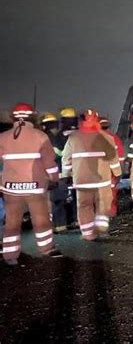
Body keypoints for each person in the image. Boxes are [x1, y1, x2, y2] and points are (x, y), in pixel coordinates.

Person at [0, 103, 62, 265]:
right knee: (41, 219)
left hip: (10, 188)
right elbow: (50, 164)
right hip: (35, 187)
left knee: (12, 221)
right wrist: (54, 179)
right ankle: (46, 248)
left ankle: (10, 255)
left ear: (13, 117)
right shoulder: (40, 136)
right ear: (32, 117)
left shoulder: (3, 137)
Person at [62, 110, 121, 240]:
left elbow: (66, 159)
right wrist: (117, 173)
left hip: (82, 181)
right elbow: (113, 159)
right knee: (103, 204)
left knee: (84, 206)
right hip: (102, 180)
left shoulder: (73, 138)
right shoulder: (107, 137)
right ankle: (102, 230)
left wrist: (66, 174)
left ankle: (88, 234)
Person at [99, 116, 125, 217]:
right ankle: (111, 213)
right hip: (111, 172)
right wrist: (118, 172)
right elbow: (120, 157)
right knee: (111, 193)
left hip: (97, 172)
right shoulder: (114, 138)